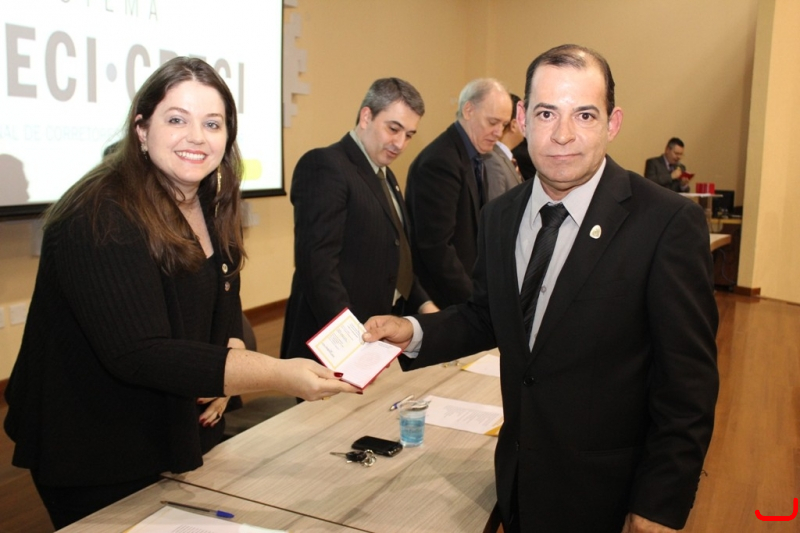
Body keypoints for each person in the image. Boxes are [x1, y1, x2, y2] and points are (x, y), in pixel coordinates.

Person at [364, 44, 719, 533]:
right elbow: (488, 314)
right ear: (522, 120)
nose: (563, 134)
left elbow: (688, 383)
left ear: (612, 123)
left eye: (585, 115)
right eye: (546, 113)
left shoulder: (666, 223)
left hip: (606, 492)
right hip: (518, 478)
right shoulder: (500, 217)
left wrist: (661, 501)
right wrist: (414, 331)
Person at [3, 57, 356, 530]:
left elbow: (223, 297)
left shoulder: (206, 197)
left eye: (212, 123)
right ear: (141, 129)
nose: (197, 137)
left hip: (177, 423)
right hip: (95, 441)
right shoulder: (98, 214)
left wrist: (229, 360)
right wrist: (275, 374)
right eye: (176, 120)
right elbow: (140, 352)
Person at [280, 78, 437, 364]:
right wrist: (353, 341)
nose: (400, 144)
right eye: (393, 129)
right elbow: (318, 267)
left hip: (374, 337)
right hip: (334, 345)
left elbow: (397, 255)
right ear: (366, 116)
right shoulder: (325, 165)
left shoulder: (385, 174)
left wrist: (424, 304)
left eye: (409, 135)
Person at [405, 78, 512, 308]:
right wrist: (474, 300)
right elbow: (436, 248)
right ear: (468, 110)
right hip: (440, 300)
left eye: (503, 125)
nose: (498, 132)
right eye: (493, 122)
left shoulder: (472, 156)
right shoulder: (440, 162)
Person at [486, 93, 525, 201]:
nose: (526, 125)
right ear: (513, 125)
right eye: (523, 120)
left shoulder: (506, 157)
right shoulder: (493, 161)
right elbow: (495, 206)